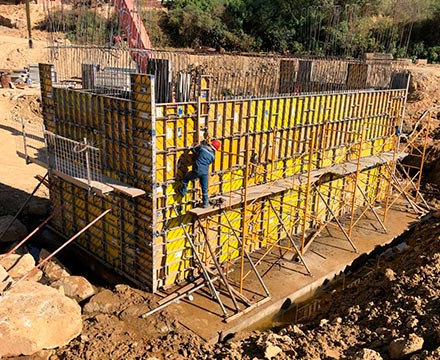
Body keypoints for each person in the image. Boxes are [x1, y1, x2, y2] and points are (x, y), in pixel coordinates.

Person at [179, 139, 221, 208]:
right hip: (205, 173)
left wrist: (195, 146)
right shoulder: (213, 156)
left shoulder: (202, 148)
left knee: (186, 177)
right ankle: (205, 203)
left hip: (197, 170)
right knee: (204, 188)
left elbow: (194, 149)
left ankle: (183, 192)